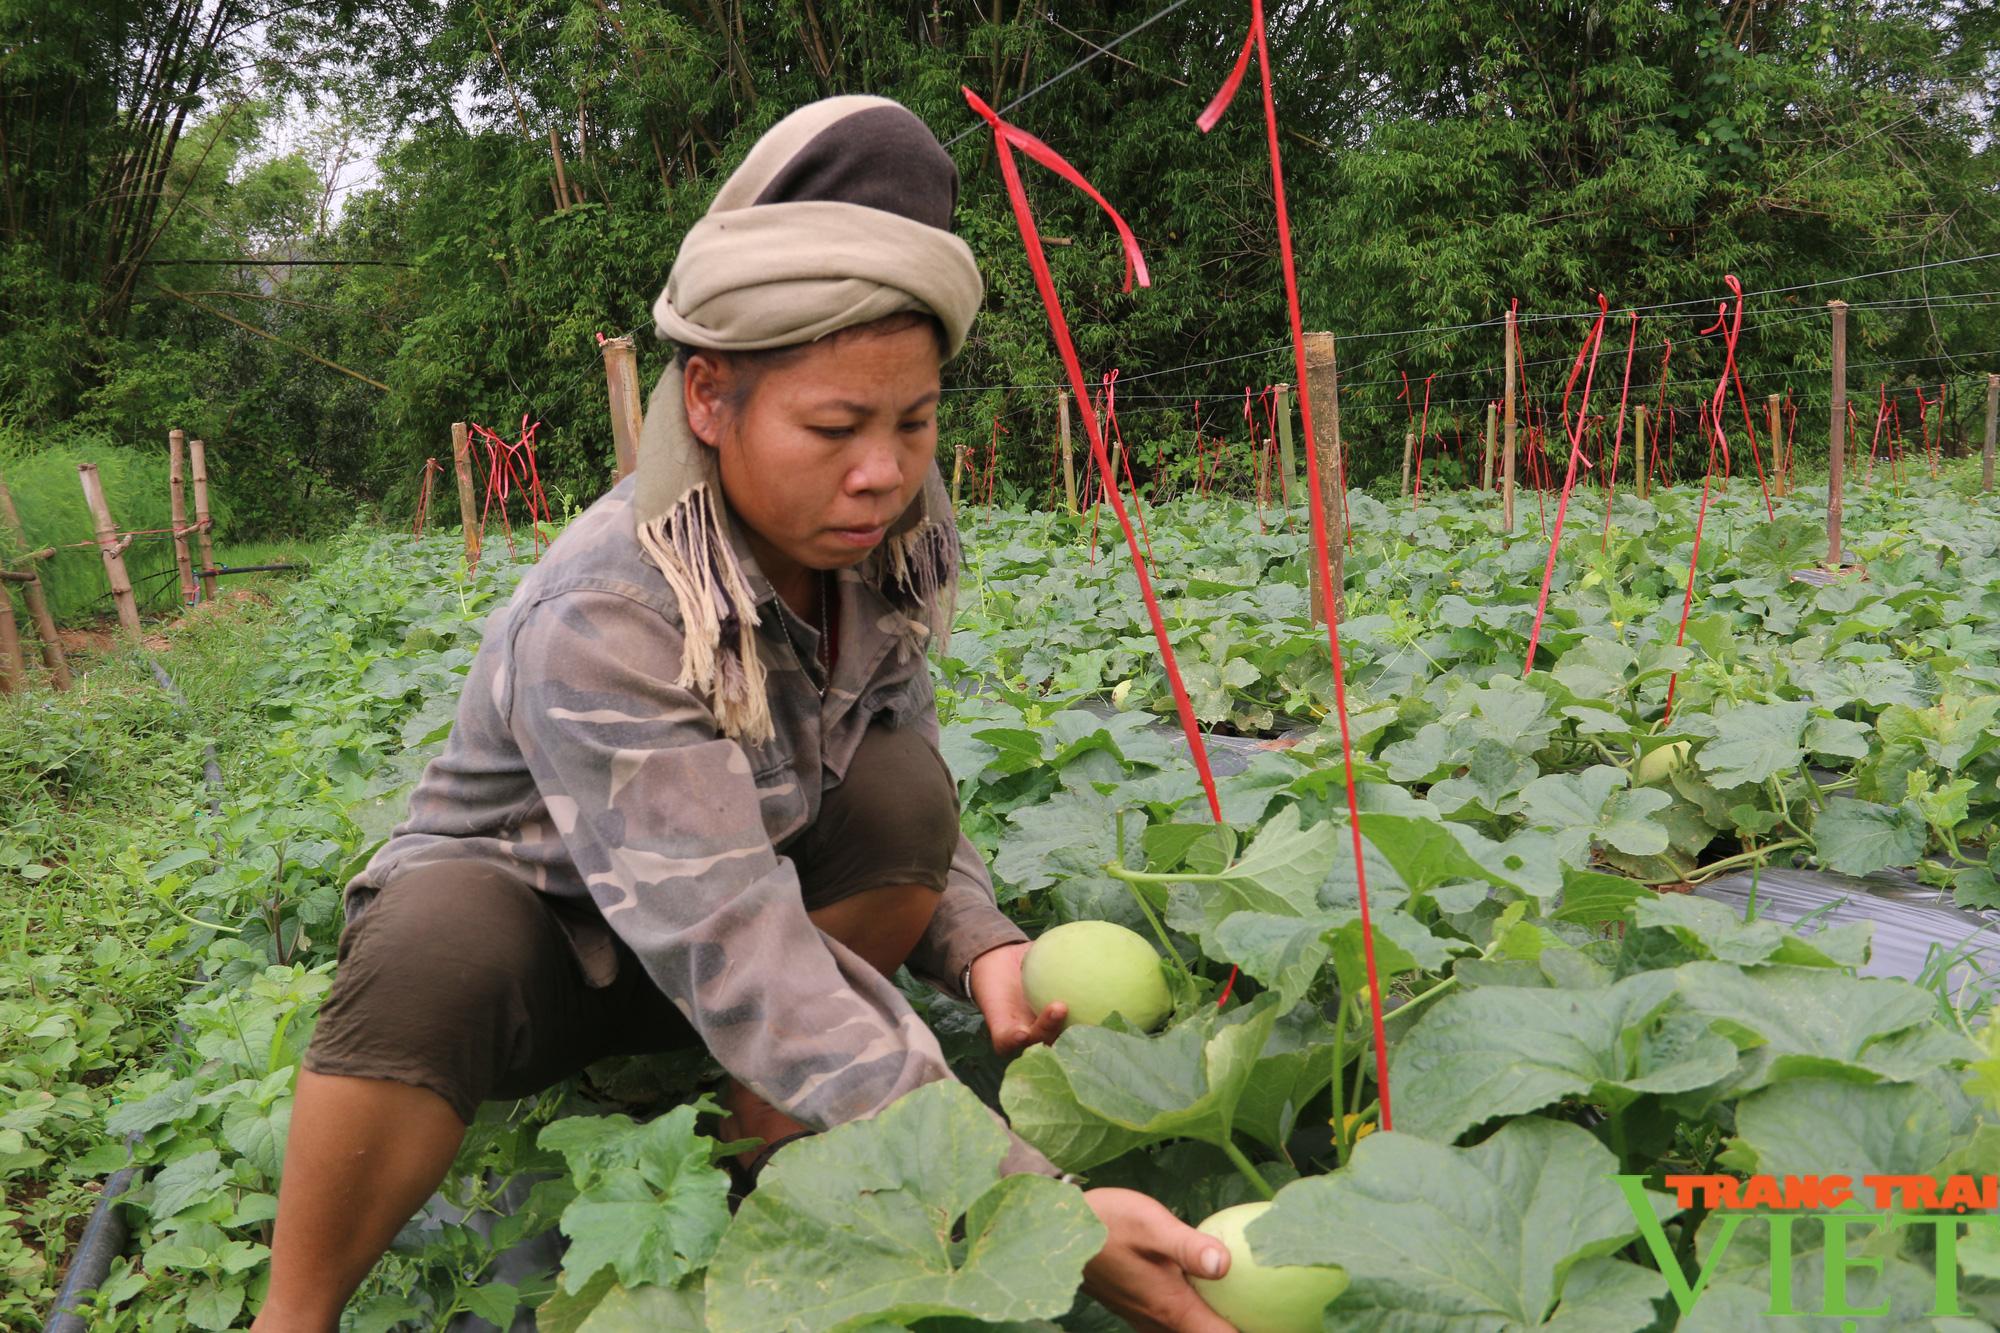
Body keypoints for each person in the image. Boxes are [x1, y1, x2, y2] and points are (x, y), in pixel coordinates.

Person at [252, 95, 1235, 1333]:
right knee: (432, 941)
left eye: (913, 422)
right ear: (709, 400)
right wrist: (1047, 1211)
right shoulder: (609, 608)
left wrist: (980, 940)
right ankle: (292, 1314)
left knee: (897, 794)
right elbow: (735, 944)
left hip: (733, 921)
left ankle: (762, 1137)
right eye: (834, 426)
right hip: (554, 953)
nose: (881, 470)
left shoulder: (878, 539)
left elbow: (899, 739)